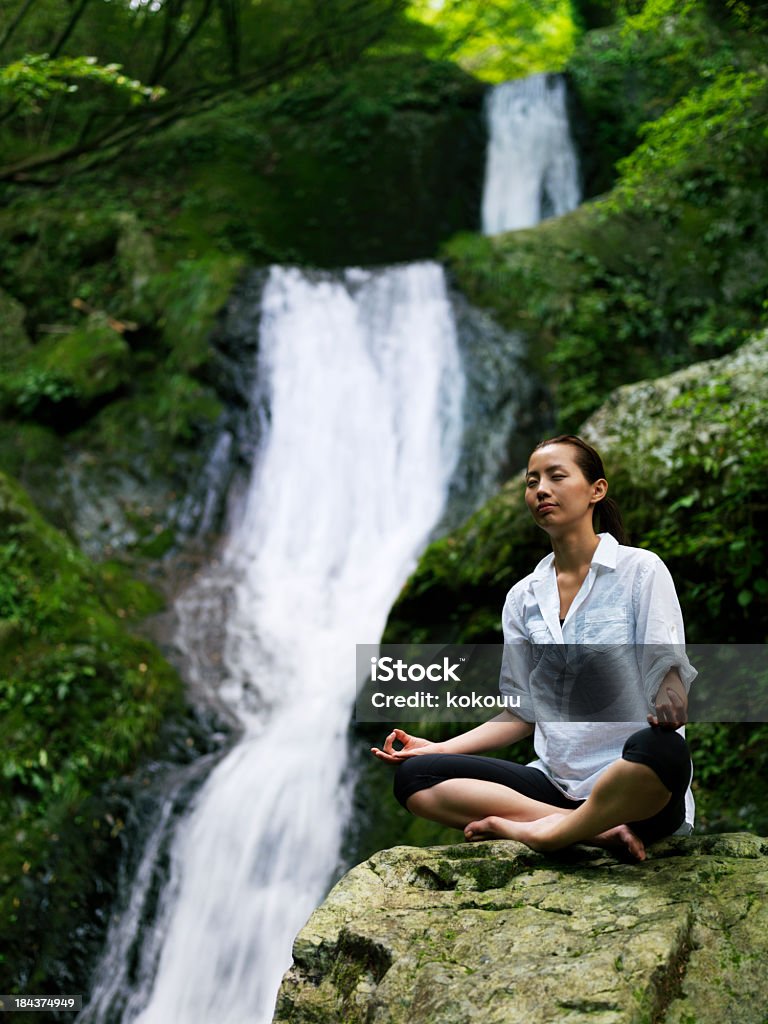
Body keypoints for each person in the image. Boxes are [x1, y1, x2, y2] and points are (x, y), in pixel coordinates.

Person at [371, 435, 695, 862]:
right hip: (553, 787)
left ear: (596, 490)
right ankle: (590, 833)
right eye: (532, 481)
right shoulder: (523, 597)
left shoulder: (640, 571)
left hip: (633, 794)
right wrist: (437, 748)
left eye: (557, 476)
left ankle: (546, 832)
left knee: (664, 751)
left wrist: (671, 697)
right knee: (415, 777)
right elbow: (521, 713)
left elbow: (666, 669)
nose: (541, 489)